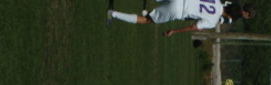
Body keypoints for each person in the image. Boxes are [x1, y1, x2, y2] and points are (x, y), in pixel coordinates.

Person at [107, 1, 254, 36]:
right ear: (229, 15)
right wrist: (174, 31)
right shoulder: (213, 20)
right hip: (178, 11)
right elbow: (193, 27)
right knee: (147, 20)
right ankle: (113, 14)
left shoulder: (216, 1)